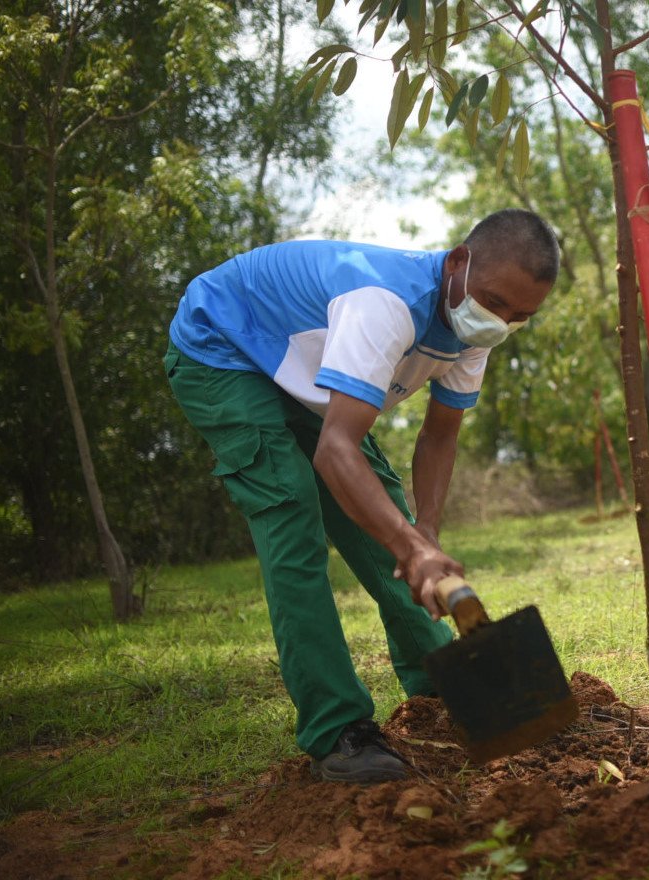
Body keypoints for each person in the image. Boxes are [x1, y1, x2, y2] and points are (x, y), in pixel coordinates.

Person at [164, 209, 559, 783]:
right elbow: (334, 452)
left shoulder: (475, 326)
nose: (502, 322)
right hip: (222, 345)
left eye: (521, 316)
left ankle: (438, 686)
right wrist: (413, 545)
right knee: (294, 518)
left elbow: (440, 433)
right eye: (497, 303)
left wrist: (424, 534)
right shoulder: (384, 304)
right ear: (457, 263)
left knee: (387, 530)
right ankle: (337, 733)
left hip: (299, 372)